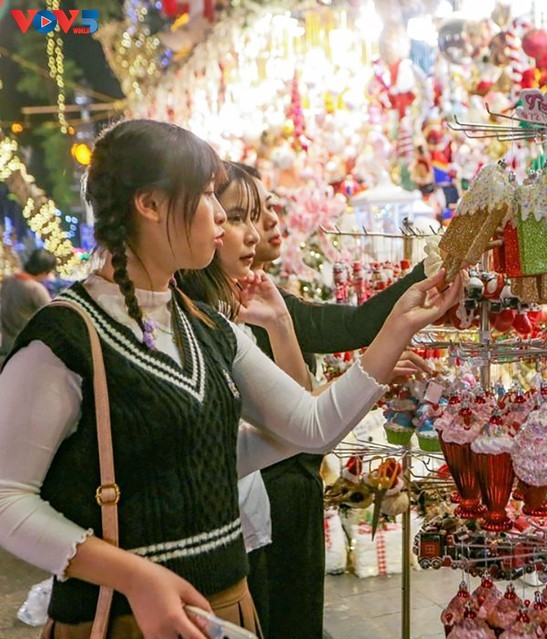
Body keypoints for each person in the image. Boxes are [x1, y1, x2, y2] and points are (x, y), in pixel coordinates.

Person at [0, 119, 462, 639]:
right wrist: (135, 577)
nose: (220, 215)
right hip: (123, 619)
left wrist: (398, 325)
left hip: (227, 605)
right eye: (204, 195)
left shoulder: (208, 326)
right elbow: (8, 499)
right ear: (149, 204)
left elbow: (310, 426)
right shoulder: (66, 336)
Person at [178, 161, 431, 637]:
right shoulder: (198, 325)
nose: (260, 228)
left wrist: (283, 326)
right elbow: (303, 420)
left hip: (277, 500)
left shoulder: (253, 306)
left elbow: (303, 417)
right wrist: (371, 368)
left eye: (265, 211)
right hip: (245, 515)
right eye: (239, 215)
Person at [0, 248, 56, 356]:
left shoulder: (8, 281)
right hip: (25, 349)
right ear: (45, 272)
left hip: (5, 346)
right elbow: (52, 317)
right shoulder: (35, 289)